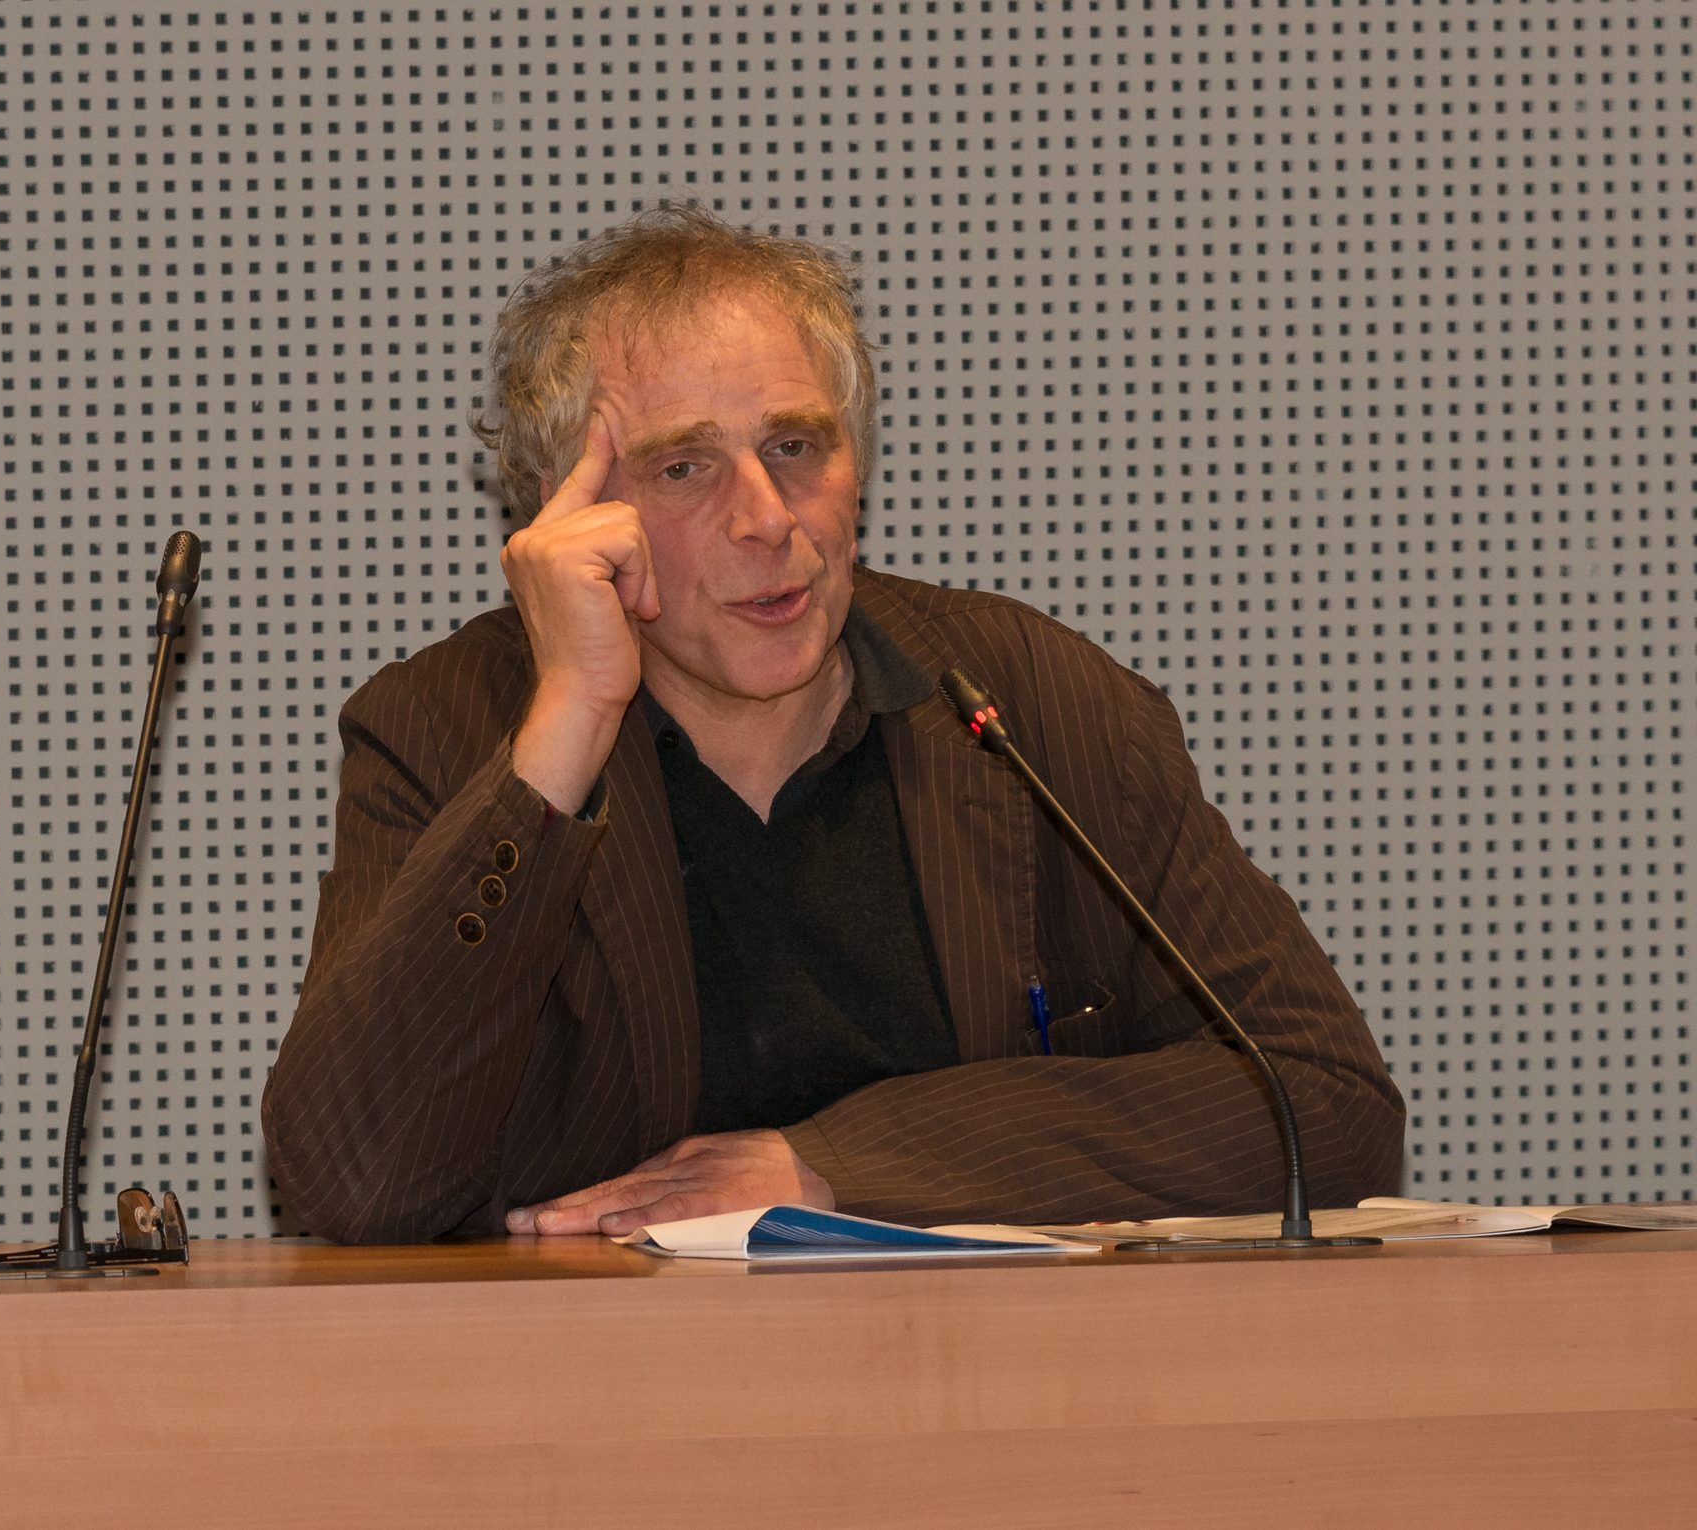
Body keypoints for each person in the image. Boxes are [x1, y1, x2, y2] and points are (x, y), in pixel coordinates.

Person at [260, 205, 1402, 1244]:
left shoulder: (1034, 702)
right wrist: (566, 727)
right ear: (570, 516)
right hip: (603, 1415)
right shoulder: (451, 730)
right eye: (685, 467)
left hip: (996, 1403)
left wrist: (834, 1166)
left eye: (796, 448)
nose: (767, 519)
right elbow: (358, 1182)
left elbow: (1323, 1107)